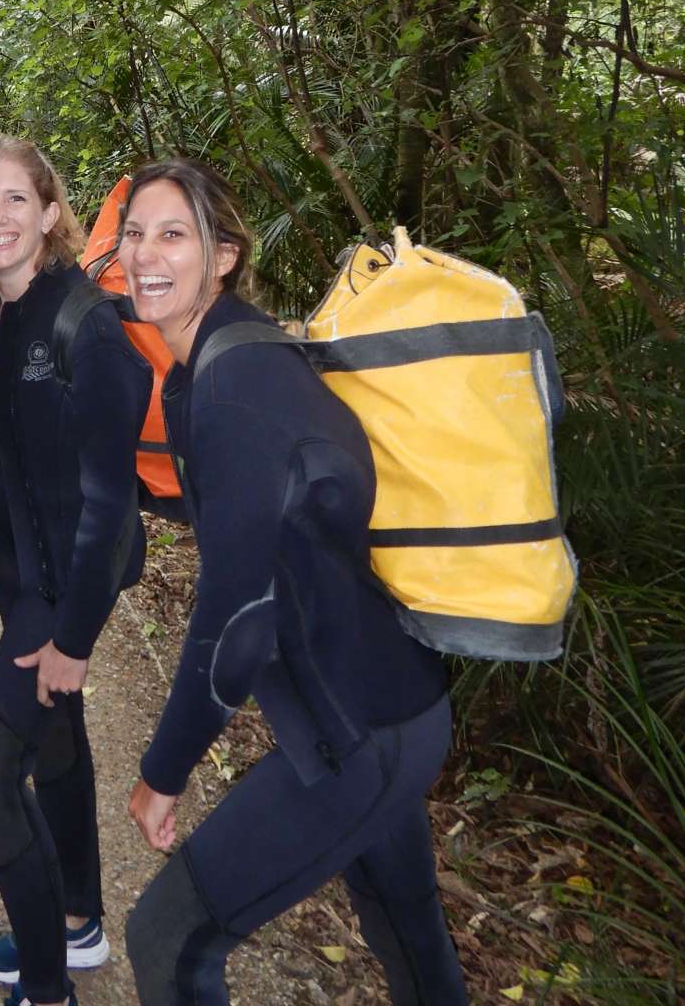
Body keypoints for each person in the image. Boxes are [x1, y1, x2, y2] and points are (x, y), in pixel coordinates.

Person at [114, 159, 469, 1004]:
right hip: (390, 707)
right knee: (404, 925)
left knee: (165, 938)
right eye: (133, 233)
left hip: (361, 735)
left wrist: (163, 772)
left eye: (173, 234)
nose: (144, 254)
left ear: (223, 254)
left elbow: (235, 614)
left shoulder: (233, 384)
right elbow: (265, 517)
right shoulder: (225, 356)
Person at [0, 135, 151, 1006]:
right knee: (57, 740)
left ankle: (45, 989)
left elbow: (112, 509)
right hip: (21, 576)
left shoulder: (87, 325)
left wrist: (71, 636)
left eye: (14, 201)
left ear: (50, 213)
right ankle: (78, 923)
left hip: (64, 590)